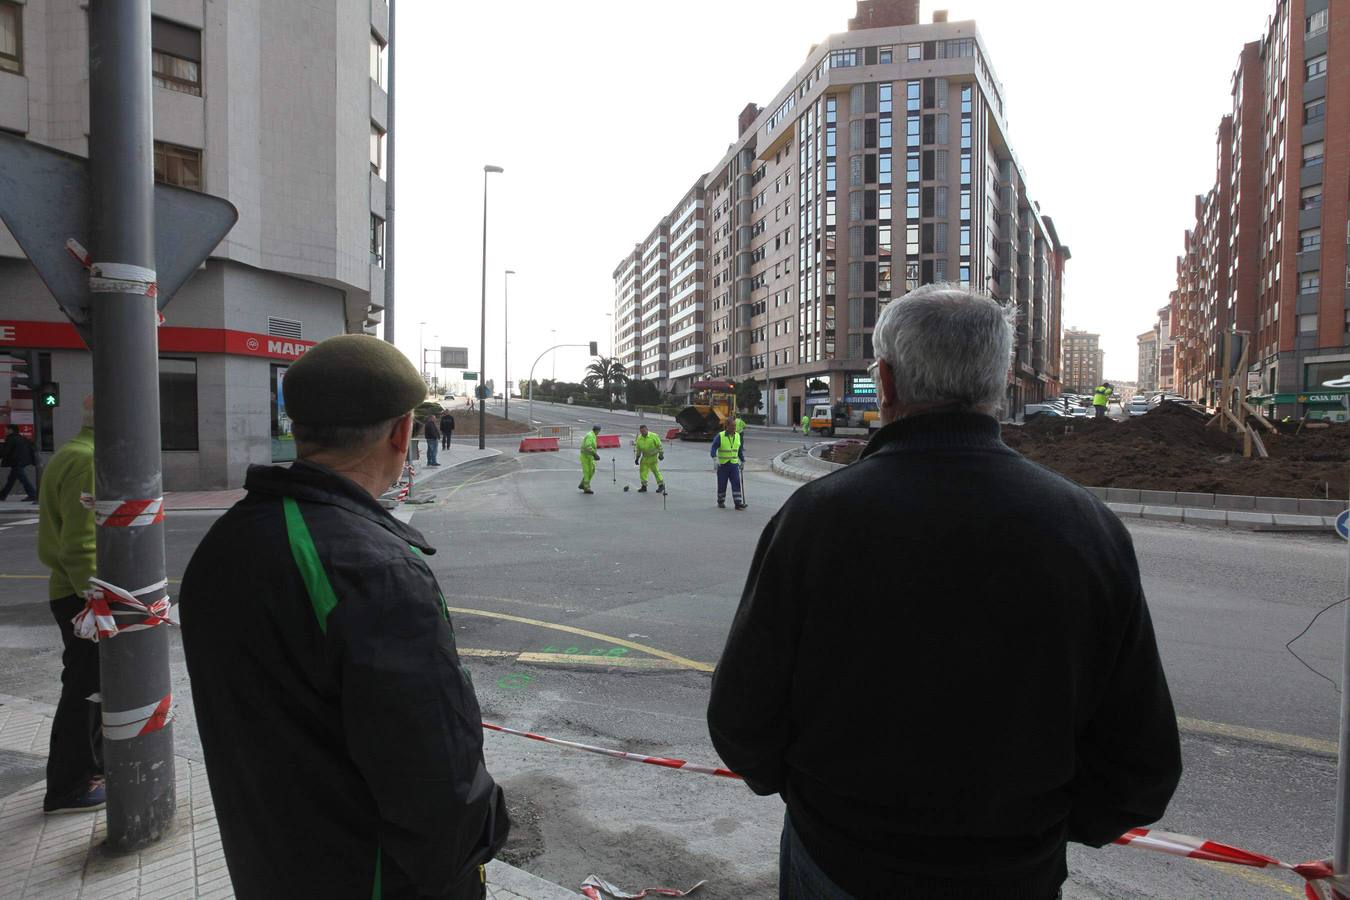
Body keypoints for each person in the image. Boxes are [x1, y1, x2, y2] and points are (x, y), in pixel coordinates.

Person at [707, 285, 1181, 899]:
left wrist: (817, 803)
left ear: (885, 381)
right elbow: (1142, 765)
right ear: (1003, 380)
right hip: (1014, 874)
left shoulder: (816, 520)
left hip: (841, 862)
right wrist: (1040, 834)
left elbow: (742, 717)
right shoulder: (1087, 527)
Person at [179, 335, 509, 899]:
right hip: (369, 875)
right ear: (402, 432)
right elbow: (434, 773)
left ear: (298, 427)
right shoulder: (376, 569)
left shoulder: (227, 539)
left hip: (271, 858)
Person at [36, 396, 102, 813]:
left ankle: (87, 772)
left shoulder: (72, 453)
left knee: (92, 687)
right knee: (86, 689)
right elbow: (82, 545)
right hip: (81, 598)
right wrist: (97, 604)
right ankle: (70, 784)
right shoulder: (90, 460)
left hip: (73, 593)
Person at [709, 417, 746, 510]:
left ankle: (738, 503)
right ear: (727, 426)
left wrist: (742, 460)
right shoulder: (720, 436)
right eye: (732, 426)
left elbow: (739, 450)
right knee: (722, 484)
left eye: (735, 426)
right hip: (723, 465)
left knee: (736, 483)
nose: (734, 428)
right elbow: (713, 448)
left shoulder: (737, 436)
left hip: (734, 465)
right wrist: (714, 458)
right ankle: (721, 501)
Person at [0, 424, 38, 502]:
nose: (5, 431)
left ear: (11, 430)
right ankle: (2, 495)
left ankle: (33, 495)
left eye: (6, 429)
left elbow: (6, 451)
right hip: (21, 461)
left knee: (23, 479)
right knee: (11, 479)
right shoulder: (21, 438)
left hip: (16, 462)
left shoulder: (11, 438)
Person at [633, 424, 665, 494]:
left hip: (653, 457)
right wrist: (637, 458)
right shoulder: (639, 438)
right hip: (644, 457)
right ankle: (644, 486)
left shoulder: (654, 436)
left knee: (655, 471)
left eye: (644, 431)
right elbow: (638, 449)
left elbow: (659, 446)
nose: (643, 433)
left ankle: (661, 485)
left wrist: (661, 455)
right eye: (641, 431)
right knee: (643, 472)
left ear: (647, 429)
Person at [579, 425, 600, 495]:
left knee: (592, 470)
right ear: (597, 430)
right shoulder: (590, 435)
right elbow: (587, 446)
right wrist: (594, 454)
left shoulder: (593, 435)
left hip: (590, 457)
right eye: (599, 431)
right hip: (585, 457)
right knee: (587, 472)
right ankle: (586, 487)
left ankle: (583, 484)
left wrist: (594, 454)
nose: (599, 433)